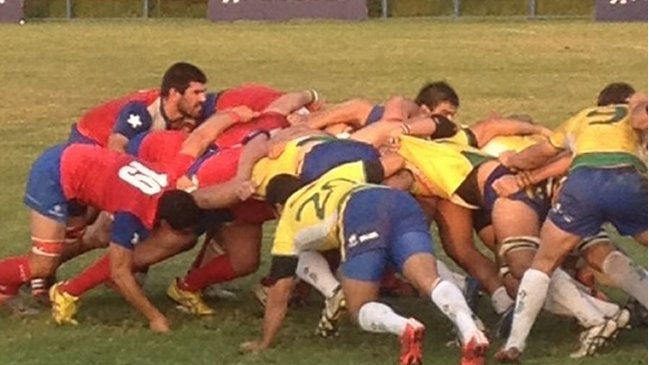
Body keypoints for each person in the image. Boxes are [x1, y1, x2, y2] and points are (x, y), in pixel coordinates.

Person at [239, 162, 489, 365]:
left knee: (359, 308)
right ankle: (469, 331)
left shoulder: (287, 223)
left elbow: (279, 294)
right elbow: (391, 165)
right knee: (428, 279)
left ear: (277, 208)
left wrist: (265, 342)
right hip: (396, 199)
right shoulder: (333, 175)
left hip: (357, 213)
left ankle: (406, 327)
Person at [495, 83, 648, 362]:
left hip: (583, 185)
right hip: (627, 180)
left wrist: (514, 161)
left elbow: (542, 152)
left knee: (543, 262)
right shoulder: (635, 111)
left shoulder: (582, 117)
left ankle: (515, 343)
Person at [69, 62, 208, 151]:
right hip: (90, 138)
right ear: (175, 93)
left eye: (203, 92)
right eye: (196, 93)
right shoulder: (141, 110)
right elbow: (116, 146)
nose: (203, 99)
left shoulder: (186, 112)